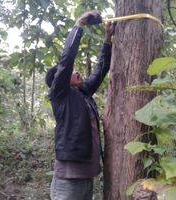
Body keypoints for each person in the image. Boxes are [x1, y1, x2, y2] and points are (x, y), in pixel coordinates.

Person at [45, 10, 115, 200]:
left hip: (87, 177)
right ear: (61, 80)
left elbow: (101, 69)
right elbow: (66, 61)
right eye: (71, 73)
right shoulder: (60, 95)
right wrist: (79, 25)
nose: (76, 72)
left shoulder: (83, 93)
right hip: (69, 179)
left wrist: (108, 39)